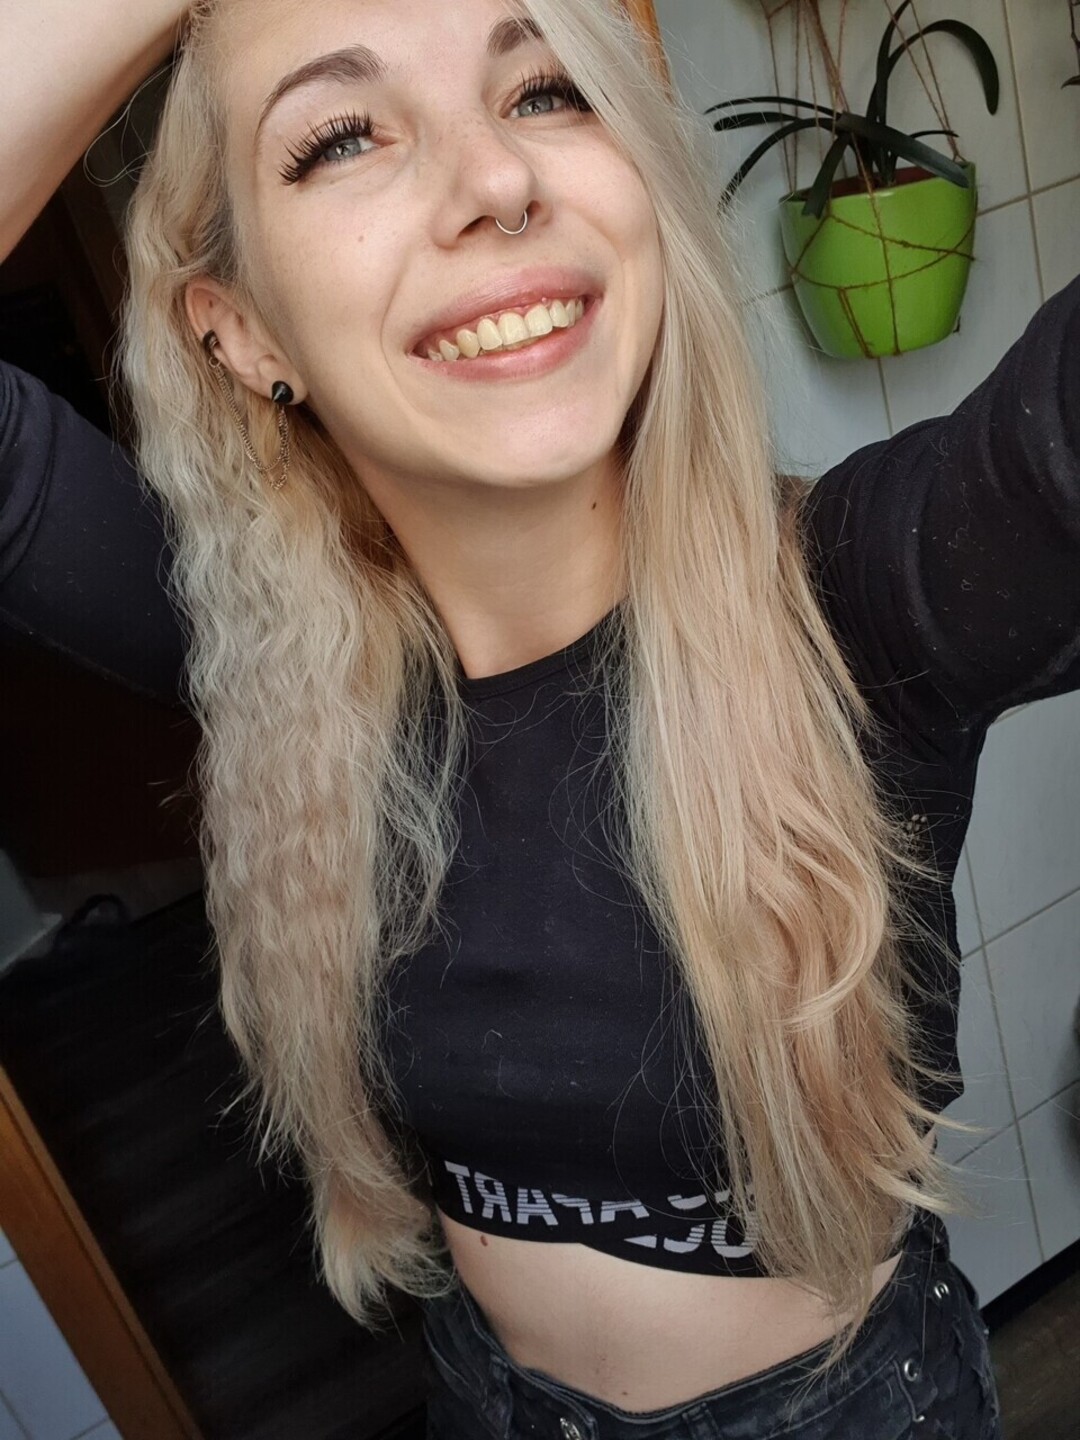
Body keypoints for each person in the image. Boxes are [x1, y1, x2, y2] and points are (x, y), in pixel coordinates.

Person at [2, 1, 1078, 1435]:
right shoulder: (274, 670)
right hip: (481, 1397)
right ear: (242, 332)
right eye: (340, 136)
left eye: (545, 92)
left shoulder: (863, 604)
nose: (495, 178)